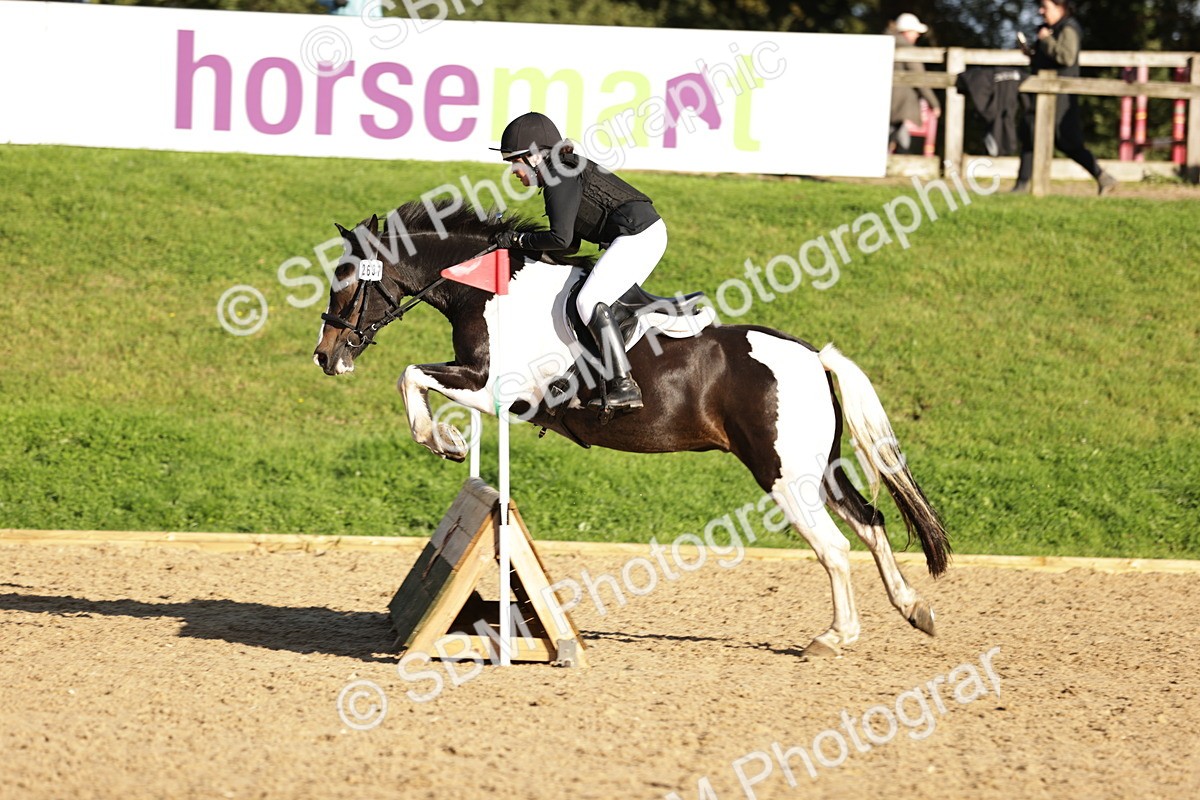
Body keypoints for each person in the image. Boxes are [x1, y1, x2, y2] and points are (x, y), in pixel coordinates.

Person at [490, 112, 667, 412]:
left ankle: (624, 385)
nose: (514, 173)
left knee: (589, 301)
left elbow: (559, 240)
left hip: (639, 236)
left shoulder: (560, 174)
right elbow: (569, 242)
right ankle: (589, 373)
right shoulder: (559, 172)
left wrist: (517, 240)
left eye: (514, 162)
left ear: (534, 157)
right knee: (589, 298)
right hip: (636, 235)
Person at [1013, 0, 1117, 194]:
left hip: (1061, 94)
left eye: (1045, 7)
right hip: (1044, 92)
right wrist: (1031, 53)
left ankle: (1103, 176)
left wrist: (1046, 40)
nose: (1040, 11)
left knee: (1067, 141)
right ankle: (1022, 184)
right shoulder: (1050, 28)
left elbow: (1066, 57)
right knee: (1030, 133)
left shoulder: (1068, 28)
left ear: (1060, 7)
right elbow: (1048, 58)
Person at [889, 13, 942, 154]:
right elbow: (920, 79)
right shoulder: (909, 51)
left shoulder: (886, 44)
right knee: (902, 138)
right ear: (906, 31)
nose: (917, 35)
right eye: (915, 32)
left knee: (892, 133)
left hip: (889, 103)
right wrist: (934, 103)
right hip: (901, 103)